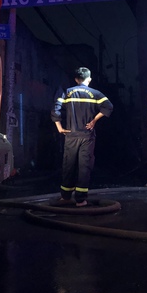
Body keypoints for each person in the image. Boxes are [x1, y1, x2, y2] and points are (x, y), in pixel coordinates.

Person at [52, 67, 114, 207]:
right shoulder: (95, 94)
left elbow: (55, 109)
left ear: (76, 79)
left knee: (68, 165)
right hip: (87, 136)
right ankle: (80, 200)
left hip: (70, 135)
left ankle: (66, 197)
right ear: (89, 79)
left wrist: (59, 128)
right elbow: (108, 106)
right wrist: (94, 120)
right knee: (84, 167)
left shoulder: (67, 92)